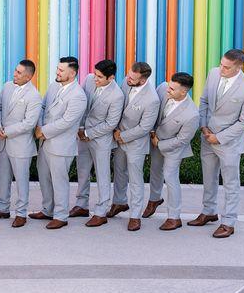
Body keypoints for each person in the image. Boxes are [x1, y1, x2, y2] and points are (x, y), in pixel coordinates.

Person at [188, 49, 244, 238]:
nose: (222, 69)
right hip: (207, 137)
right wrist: (203, 127)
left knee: (231, 183)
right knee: (208, 178)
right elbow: (203, 101)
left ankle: (228, 222)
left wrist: (219, 138)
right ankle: (209, 212)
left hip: (228, 143)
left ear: (239, 67)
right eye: (221, 64)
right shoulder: (213, 73)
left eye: (227, 67)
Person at [30, 57, 87, 230]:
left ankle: (61, 216)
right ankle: (48, 209)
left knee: (59, 181)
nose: (57, 73)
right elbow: (42, 106)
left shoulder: (78, 96)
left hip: (61, 146)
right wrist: (39, 126)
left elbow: (67, 122)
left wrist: (44, 131)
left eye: (61, 70)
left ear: (72, 73)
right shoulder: (54, 85)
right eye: (57, 69)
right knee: (44, 178)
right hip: (45, 143)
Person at [0, 60, 42, 228]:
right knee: (3, 177)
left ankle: (21, 213)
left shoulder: (34, 96)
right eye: (15, 70)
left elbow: (29, 123)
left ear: (28, 77)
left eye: (19, 73)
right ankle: (3, 208)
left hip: (20, 145)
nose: (14, 74)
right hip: (3, 142)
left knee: (21, 181)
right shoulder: (7, 86)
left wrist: (7, 131)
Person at [143, 72, 199, 231]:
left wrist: (160, 144)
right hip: (156, 141)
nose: (168, 90)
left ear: (184, 92)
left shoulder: (192, 114)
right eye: (169, 86)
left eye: (172, 89)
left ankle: (174, 217)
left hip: (173, 149)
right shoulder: (162, 88)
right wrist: (153, 133)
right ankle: (154, 199)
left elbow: (182, 140)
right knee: (155, 171)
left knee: (170, 177)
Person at [72, 59, 124, 227]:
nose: (95, 79)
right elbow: (82, 106)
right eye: (95, 74)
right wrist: (81, 128)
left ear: (111, 78)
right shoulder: (88, 80)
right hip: (82, 135)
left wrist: (88, 133)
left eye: (100, 77)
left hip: (101, 139)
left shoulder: (117, 95)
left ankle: (101, 212)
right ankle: (81, 205)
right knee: (82, 170)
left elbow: (111, 123)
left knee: (102, 175)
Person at [108, 62, 160, 232]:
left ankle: (135, 215)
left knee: (135, 179)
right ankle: (119, 202)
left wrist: (122, 136)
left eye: (132, 78)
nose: (128, 79)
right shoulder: (126, 81)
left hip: (135, 143)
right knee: (119, 172)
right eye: (128, 75)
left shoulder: (152, 99)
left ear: (143, 80)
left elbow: (145, 128)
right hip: (118, 137)